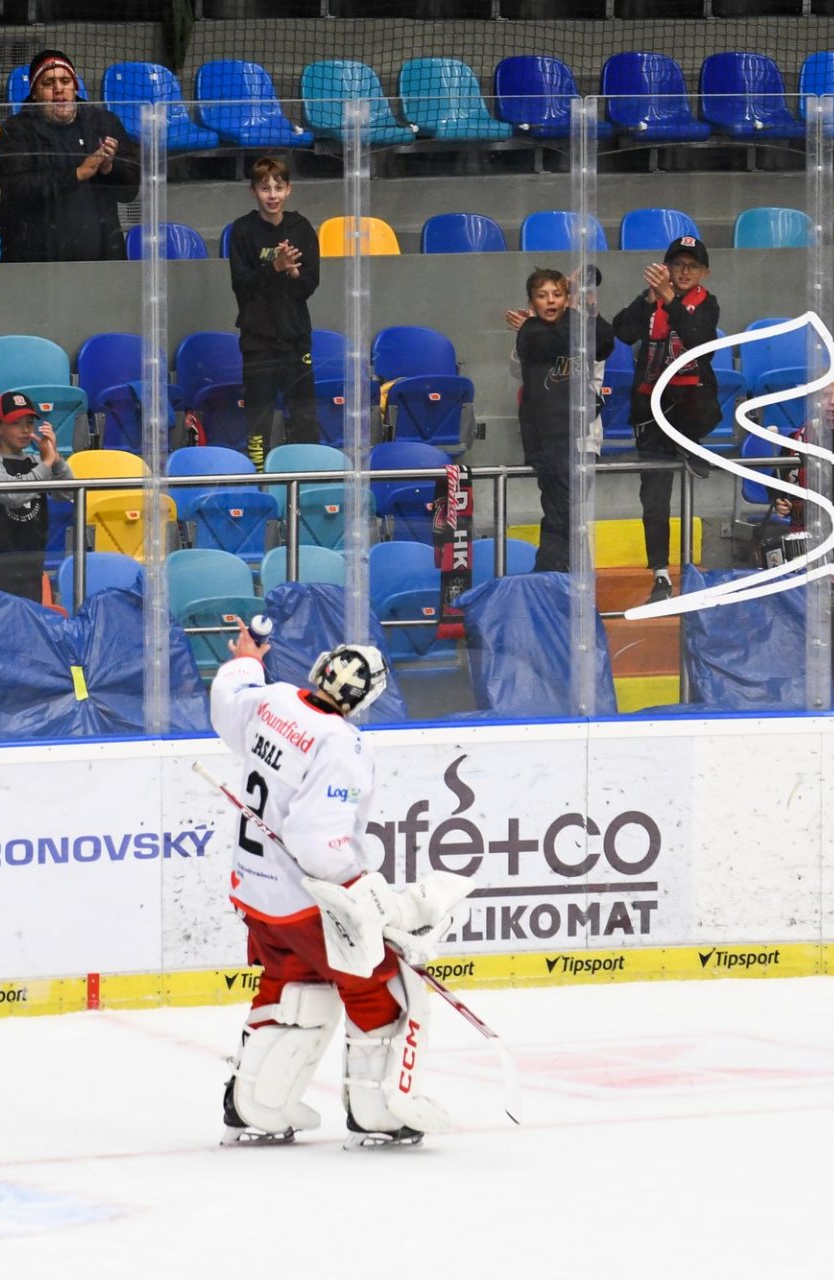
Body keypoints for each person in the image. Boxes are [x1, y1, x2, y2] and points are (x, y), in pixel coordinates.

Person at [208, 625, 469, 1147]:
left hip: (256, 891)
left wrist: (247, 659)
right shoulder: (341, 745)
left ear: (320, 668)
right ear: (366, 698)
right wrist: (366, 896)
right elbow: (317, 843)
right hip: (307, 901)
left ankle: (255, 1103)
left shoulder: (274, 701)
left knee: (293, 982)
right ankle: (376, 1110)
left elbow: (227, 702)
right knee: (379, 988)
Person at [609, 235, 721, 604]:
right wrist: (648, 299)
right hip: (651, 407)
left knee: (685, 477)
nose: (684, 272)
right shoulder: (652, 300)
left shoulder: (707, 304)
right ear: (666, 268)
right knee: (654, 496)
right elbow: (622, 332)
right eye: (677, 265)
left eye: (692, 266)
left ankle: (691, 446)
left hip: (690, 406)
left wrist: (671, 300)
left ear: (704, 272)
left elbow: (699, 340)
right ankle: (660, 573)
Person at [762, 369, 834, 703]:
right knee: (798, 612)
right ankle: (797, 684)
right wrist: (780, 501)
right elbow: (777, 483)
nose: (831, 403)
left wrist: (831, 507)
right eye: (826, 395)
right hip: (803, 539)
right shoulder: (793, 441)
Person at [505, 266, 616, 573]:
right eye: (542, 296)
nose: (551, 300)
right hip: (548, 437)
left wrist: (588, 305)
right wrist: (574, 308)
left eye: (557, 294)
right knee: (562, 508)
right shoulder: (531, 332)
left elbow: (605, 343)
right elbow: (558, 342)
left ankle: (553, 573)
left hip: (578, 434)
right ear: (531, 303)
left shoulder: (574, 323)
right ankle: (558, 573)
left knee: (568, 509)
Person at [0, 50, 138, 263]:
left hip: (101, 261)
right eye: (48, 83)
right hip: (35, 262)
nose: (59, 88)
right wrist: (77, 174)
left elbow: (130, 191)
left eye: (65, 81)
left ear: (75, 87)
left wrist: (110, 169)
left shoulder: (104, 122)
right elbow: (16, 188)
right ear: (34, 93)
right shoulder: (16, 130)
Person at [226, 156, 323, 467]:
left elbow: (309, 284)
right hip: (258, 342)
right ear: (253, 191)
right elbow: (242, 285)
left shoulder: (301, 228)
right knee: (259, 421)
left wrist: (293, 273)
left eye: (278, 188)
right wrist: (275, 267)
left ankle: (304, 477)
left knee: (305, 420)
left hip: (296, 339)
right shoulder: (242, 230)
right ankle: (259, 477)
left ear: (288, 190)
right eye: (265, 188)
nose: (272, 195)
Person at [0, 391, 73, 602]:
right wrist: (47, 464)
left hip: (32, 560)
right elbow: (14, 496)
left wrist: (56, 460)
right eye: (16, 423)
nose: (26, 429)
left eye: (29, 423)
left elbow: (67, 493)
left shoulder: (37, 461)